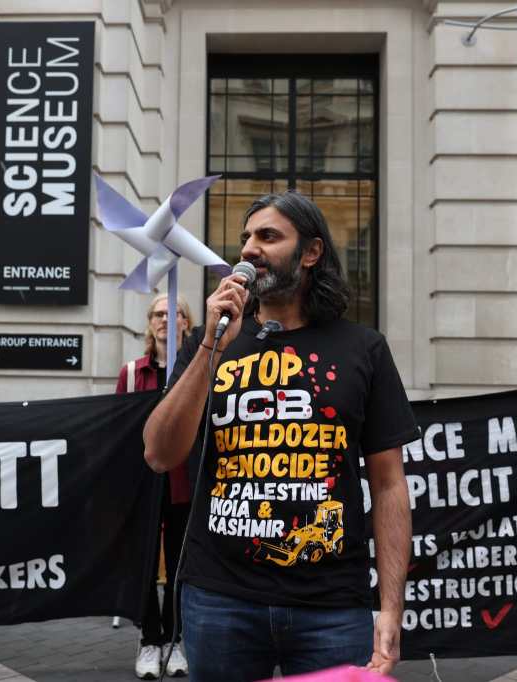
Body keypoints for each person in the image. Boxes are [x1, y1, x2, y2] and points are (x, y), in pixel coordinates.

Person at [142, 190, 417, 680]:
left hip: (331, 605)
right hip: (219, 599)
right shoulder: (211, 342)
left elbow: (389, 483)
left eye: (268, 236)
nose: (249, 249)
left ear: (311, 253)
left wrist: (391, 606)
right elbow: (160, 454)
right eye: (246, 238)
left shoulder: (364, 349)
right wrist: (210, 344)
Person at [116, 293, 194, 679]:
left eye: (173, 312)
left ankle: (175, 638)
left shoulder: (196, 368)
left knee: (181, 563)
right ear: (150, 323)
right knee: (145, 562)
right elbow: (118, 430)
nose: (165, 319)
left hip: (186, 481)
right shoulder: (132, 373)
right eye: (158, 314)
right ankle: (149, 639)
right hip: (143, 482)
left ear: (185, 321)